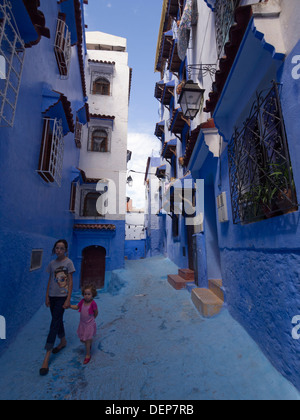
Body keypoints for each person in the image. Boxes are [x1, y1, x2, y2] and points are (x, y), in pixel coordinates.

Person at [40, 239, 75, 376]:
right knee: (57, 319)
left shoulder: (68, 263)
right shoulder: (52, 264)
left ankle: (46, 357)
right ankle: (63, 341)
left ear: (65, 250)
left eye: (61, 248)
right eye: (57, 248)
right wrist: (47, 296)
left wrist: (68, 299)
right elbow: (50, 280)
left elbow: (70, 282)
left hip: (62, 297)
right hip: (52, 296)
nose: (58, 250)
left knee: (54, 323)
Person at [71, 285, 98, 365]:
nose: (86, 296)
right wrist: (69, 306)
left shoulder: (93, 303)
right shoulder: (82, 301)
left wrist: (92, 320)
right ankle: (89, 343)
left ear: (92, 295)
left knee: (86, 341)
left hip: (89, 324)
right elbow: (77, 307)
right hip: (82, 324)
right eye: (85, 294)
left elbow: (96, 312)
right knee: (82, 339)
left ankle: (88, 355)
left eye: (89, 294)